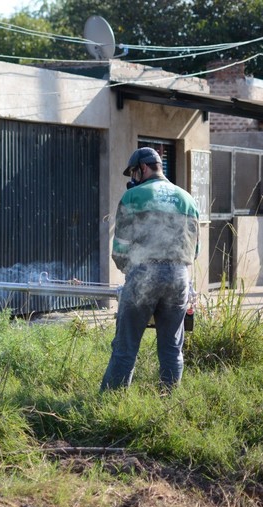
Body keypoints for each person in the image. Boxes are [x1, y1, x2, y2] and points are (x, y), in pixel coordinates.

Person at [100, 147, 200, 392]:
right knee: (171, 348)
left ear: (142, 168)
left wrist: (130, 272)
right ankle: (169, 399)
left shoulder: (133, 198)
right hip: (179, 278)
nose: (132, 178)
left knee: (126, 346)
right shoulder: (187, 198)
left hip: (144, 273)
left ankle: (111, 404)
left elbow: (120, 249)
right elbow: (194, 251)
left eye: (133, 173)